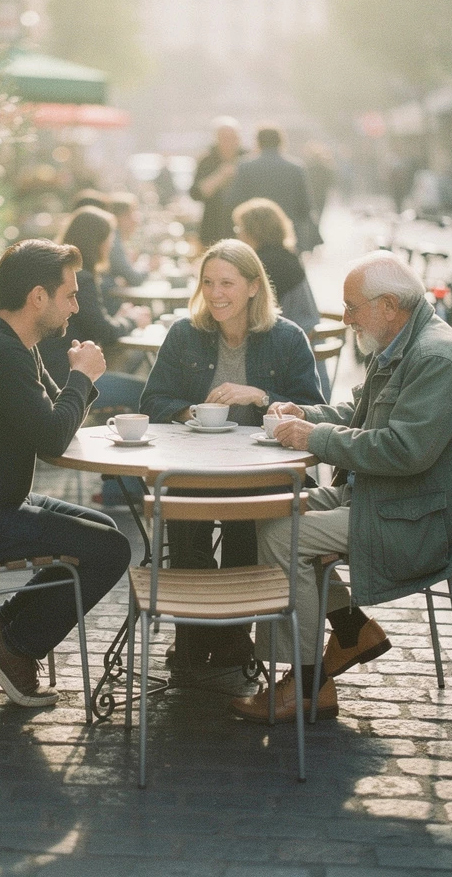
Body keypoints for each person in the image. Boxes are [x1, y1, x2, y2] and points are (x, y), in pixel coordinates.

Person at [232, 251, 452, 723]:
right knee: (269, 512)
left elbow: (404, 451)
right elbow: (361, 417)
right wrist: (306, 414)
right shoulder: (400, 345)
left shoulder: (435, 358)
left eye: (352, 307)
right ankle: (350, 631)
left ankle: (308, 686)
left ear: (389, 305)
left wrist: (317, 438)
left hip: (418, 519)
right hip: (383, 499)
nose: (346, 317)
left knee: (283, 537)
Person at [0, 239, 132, 708]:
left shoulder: (8, 339)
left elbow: (55, 420)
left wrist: (76, 383)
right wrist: (84, 378)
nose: (77, 306)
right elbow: (53, 440)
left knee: (104, 529)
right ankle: (15, 649)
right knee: (111, 549)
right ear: (38, 297)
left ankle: (3, 624)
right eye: (70, 296)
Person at [140, 239, 324, 668]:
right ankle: (193, 636)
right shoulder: (185, 334)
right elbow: (152, 401)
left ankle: (231, 637)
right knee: (185, 520)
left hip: (258, 469)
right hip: (192, 467)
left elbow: (312, 407)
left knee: (249, 524)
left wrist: (260, 395)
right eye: (208, 282)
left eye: (227, 282)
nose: (216, 293)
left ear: (254, 287)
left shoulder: (287, 337)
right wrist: (190, 411)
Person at [38, 206, 151, 399]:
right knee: (146, 393)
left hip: (50, 371)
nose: (111, 244)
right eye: (109, 238)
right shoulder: (81, 279)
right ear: (97, 242)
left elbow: (95, 324)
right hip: (68, 378)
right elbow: (105, 332)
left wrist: (120, 318)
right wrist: (133, 320)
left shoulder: (56, 272)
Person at [232, 197, 329, 397]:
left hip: (293, 365)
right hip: (310, 355)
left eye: (239, 228)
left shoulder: (267, 264)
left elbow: (250, 316)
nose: (237, 235)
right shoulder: (286, 257)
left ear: (254, 231)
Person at [229, 125, 320, 254]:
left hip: (254, 236)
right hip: (288, 235)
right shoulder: (295, 168)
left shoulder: (245, 167)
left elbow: (234, 201)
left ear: (258, 142)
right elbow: (305, 206)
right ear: (281, 142)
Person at [190, 116, 245, 247]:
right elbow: (195, 194)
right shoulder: (206, 161)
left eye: (232, 137)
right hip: (212, 227)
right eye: (224, 137)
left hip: (243, 228)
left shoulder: (247, 159)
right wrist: (220, 176)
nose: (229, 142)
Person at [102, 191, 149, 313]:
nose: (137, 219)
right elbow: (134, 278)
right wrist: (148, 266)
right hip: (108, 305)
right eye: (132, 213)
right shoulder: (113, 240)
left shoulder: (115, 238)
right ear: (120, 217)